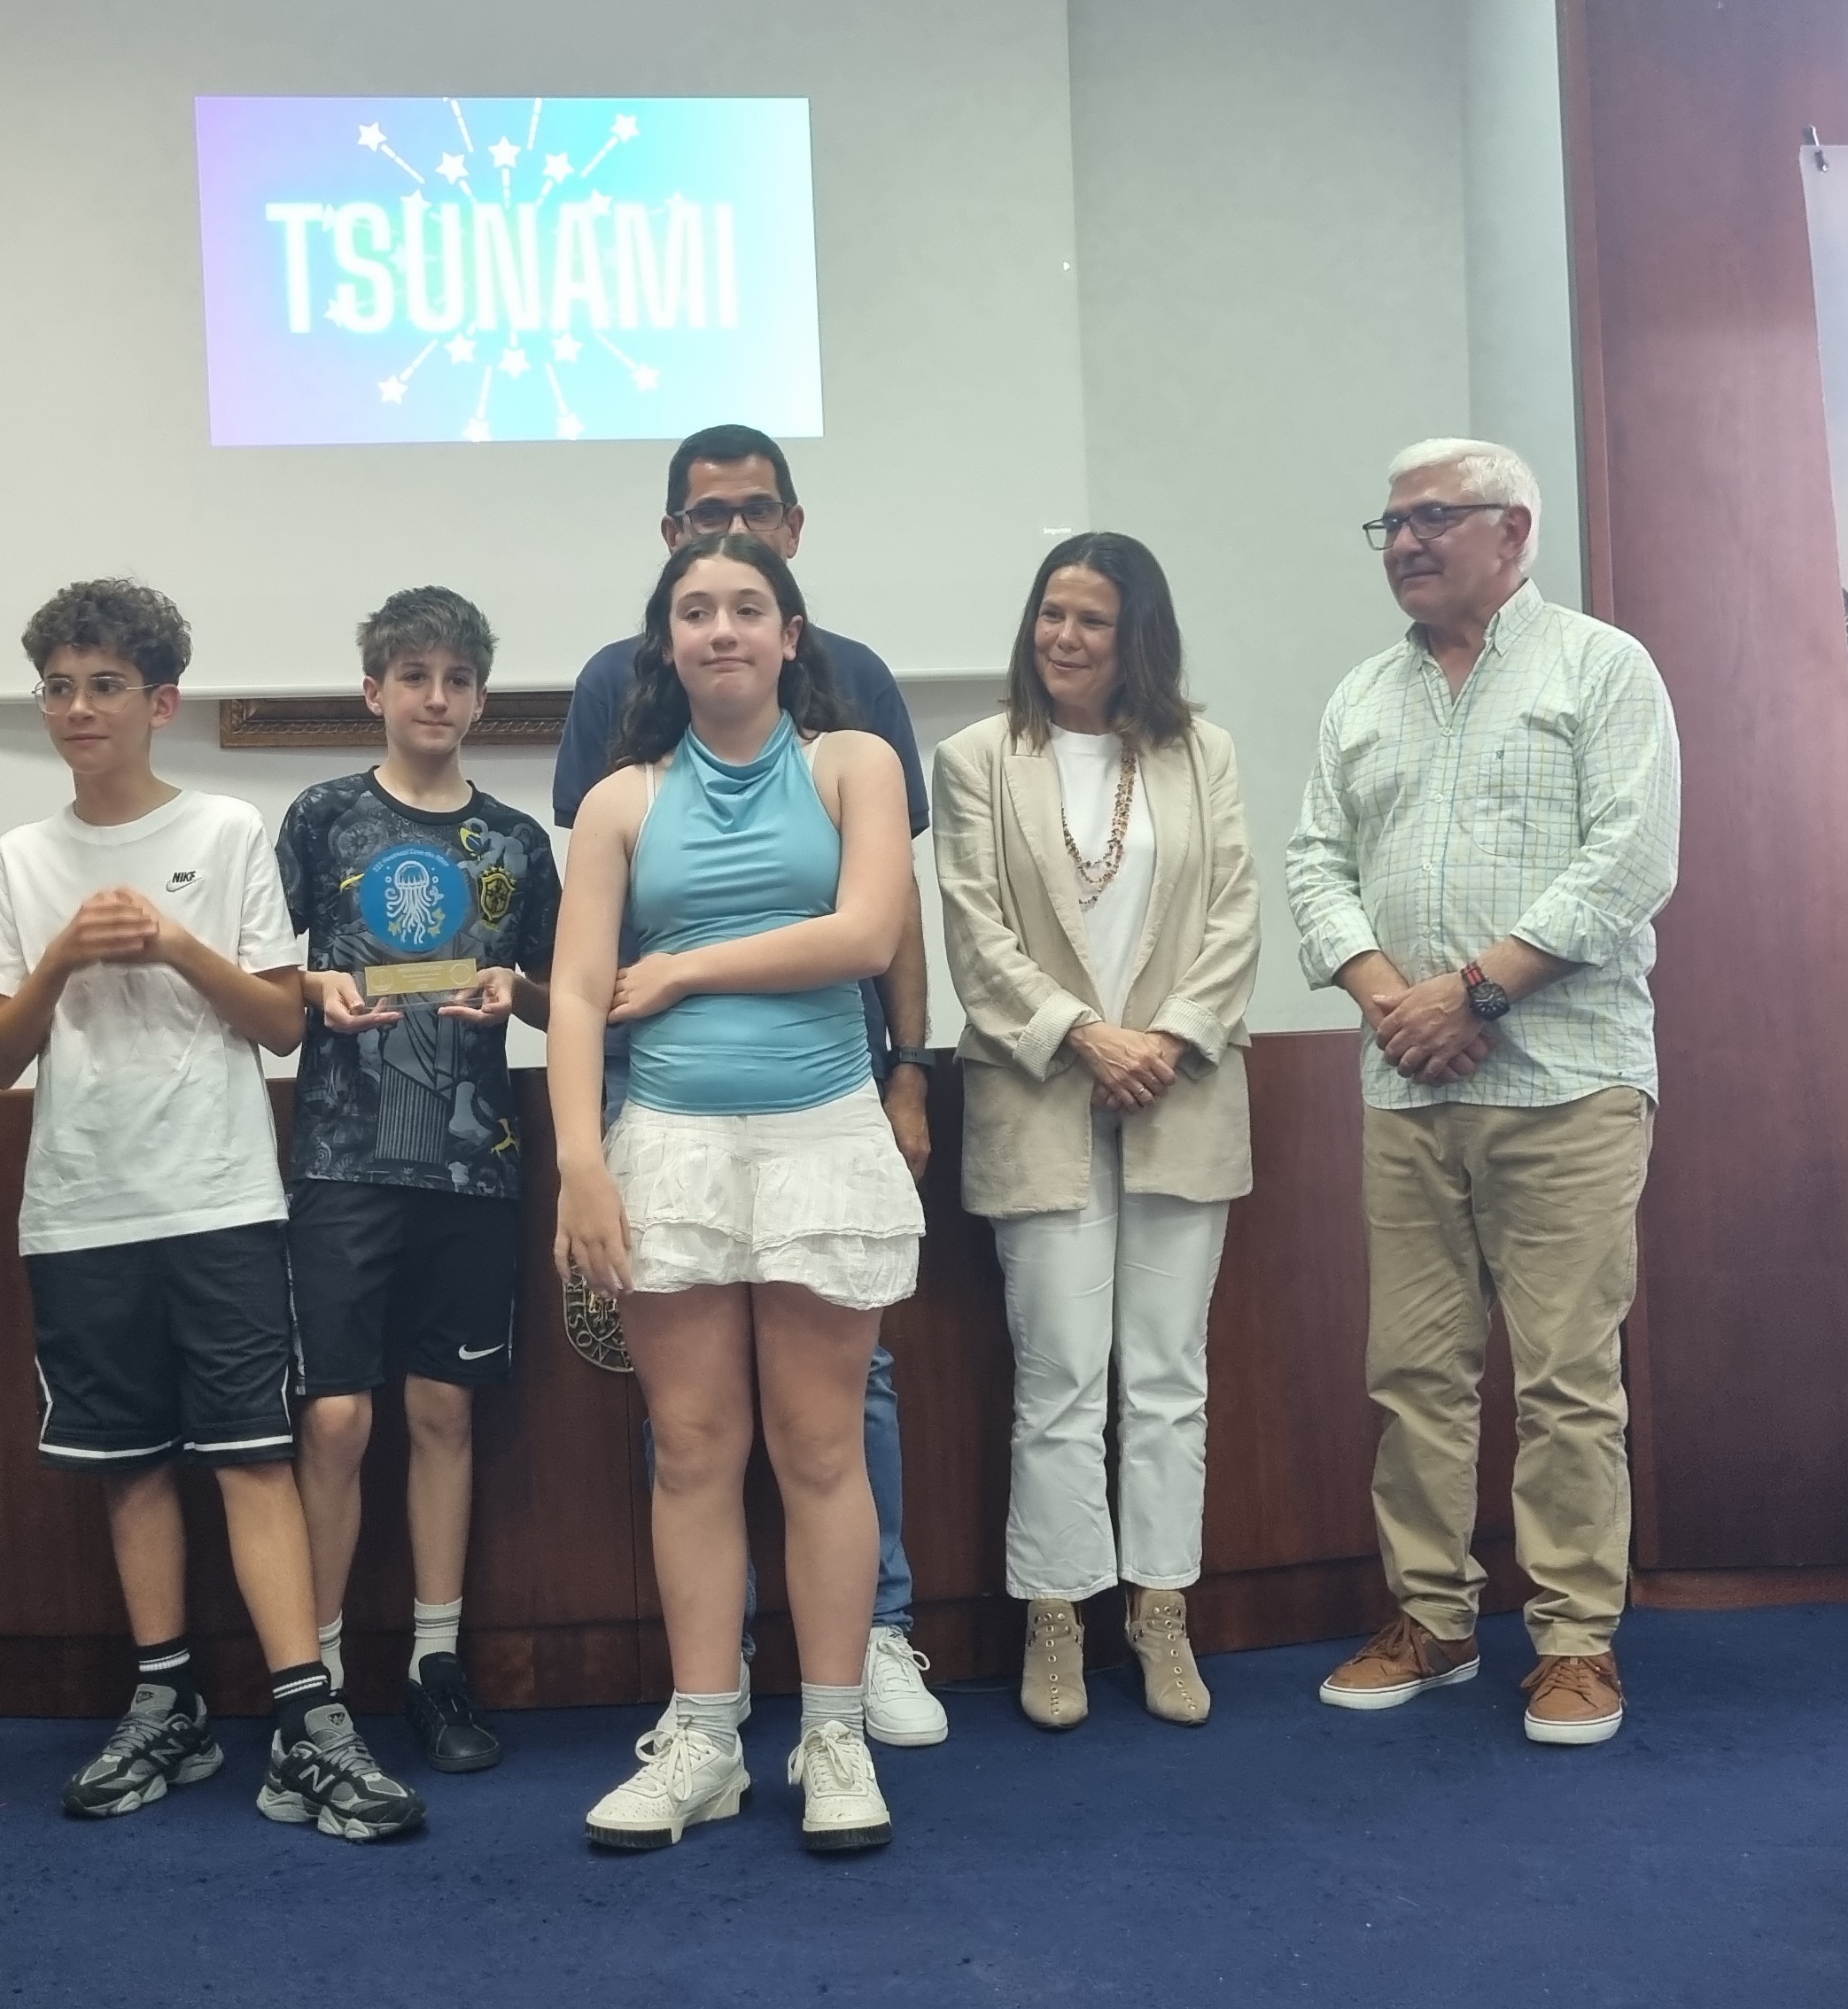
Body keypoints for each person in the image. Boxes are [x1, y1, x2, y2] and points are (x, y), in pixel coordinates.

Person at [0, 578, 424, 1842]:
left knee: (252, 1454)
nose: (78, 708)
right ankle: (165, 1703)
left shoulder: (225, 830)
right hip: (80, 1207)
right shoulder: (18, 859)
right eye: (59, 687)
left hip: (218, 1195)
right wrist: (62, 956)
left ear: (161, 703)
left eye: (106, 685)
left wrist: (173, 944)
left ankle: (308, 1720)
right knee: (129, 1467)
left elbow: (280, 1021)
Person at [549, 423, 948, 1749]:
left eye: (746, 609)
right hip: (666, 1142)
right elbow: (574, 994)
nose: (721, 629)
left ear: (788, 633)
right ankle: (705, 1735)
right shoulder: (618, 801)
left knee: (823, 1449)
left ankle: (833, 1736)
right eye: (695, 611)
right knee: (693, 1451)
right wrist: (581, 1163)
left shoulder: (854, 762)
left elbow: (868, 935)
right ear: (665, 641)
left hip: (824, 1132)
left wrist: (682, 970)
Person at [1285, 438, 1680, 1749]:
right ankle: (1433, 1619)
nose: (1404, 542)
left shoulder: (1600, 668)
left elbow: (1631, 859)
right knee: (1412, 1375)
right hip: (1409, 1088)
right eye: (1390, 523)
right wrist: (1389, 997)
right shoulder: (1361, 696)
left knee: (1566, 1380)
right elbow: (1314, 863)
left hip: (1567, 1084)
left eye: (1433, 518)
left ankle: (1574, 1642)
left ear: (1512, 532)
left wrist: (1475, 994)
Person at [931, 532, 1259, 1733]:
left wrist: (1166, 1039)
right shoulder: (976, 757)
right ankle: (1058, 1616)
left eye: (1093, 621)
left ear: (1139, 640)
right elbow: (975, 933)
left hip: (1182, 1091)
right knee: (1061, 1377)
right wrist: (1084, 1036)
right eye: (1051, 614)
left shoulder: (1202, 751)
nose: (1063, 638)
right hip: (1041, 1098)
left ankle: (1162, 1610)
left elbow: (1235, 914)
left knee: (1169, 1376)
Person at [281, 586, 559, 1775]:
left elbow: (560, 996)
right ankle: (317, 1679)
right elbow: (264, 974)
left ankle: (435, 1663)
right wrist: (313, 989)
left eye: (456, 679)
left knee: (445, 1411)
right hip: (343, 1156)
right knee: (337, 1419)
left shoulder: (517, 843)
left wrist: (517, 992)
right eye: (413, 676)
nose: (435, 697)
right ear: (374, 692)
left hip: (471, 1159)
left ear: (482, 699)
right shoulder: (320, 818)